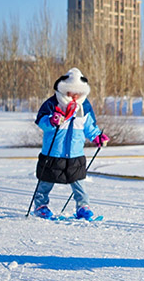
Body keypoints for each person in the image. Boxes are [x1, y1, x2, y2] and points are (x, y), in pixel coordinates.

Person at [32, 68, 109, 220]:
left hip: (75, 153)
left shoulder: (84, 108)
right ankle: (40, 205)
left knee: (78, 183)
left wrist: (97, 137)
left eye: (78, 93)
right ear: (63, 90)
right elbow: (42, 123)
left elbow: (90, 127)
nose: (74, 96)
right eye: (70, 92)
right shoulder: (52, 104)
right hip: (53, 152)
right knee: (45, 181)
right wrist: (52, 121)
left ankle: (83, 207)